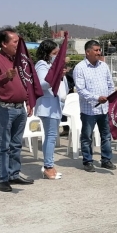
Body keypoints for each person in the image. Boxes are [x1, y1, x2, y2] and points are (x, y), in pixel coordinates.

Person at [0, 28, 35, 192]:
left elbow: (26, 83)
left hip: (20, 109)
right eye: (15, 42)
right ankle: (3, 178)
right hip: (4, 109)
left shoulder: (20, 60)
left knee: (16, 145)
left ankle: (14, 174)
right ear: (3, 43)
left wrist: (28, 101)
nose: (18, 45)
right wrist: (5, 76)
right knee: (3, 146)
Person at [73, 40, 117, 172]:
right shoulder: (80, 68)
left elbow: (110, 84)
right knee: (87, 137)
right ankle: (87, 161)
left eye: (99, 50)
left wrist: (109, 96)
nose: (99, 52)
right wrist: (97, 98)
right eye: (96, 50)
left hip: (104, 108)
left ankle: (106, 160)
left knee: (106, 136)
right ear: (88, 52)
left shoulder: (104, 66)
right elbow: (80, 90)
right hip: (89, 110)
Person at [35, 39, 68, 180]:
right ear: (47, 53)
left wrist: (61, 74)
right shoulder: (42, 64)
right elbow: (42, 83)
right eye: (54, 53)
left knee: (51, 136)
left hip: (55, 105)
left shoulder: (53, 65)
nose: (57, 55)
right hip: (47, 107)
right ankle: (48, 167)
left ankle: (50, 165)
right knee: (51, 136)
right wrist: (57, 75)